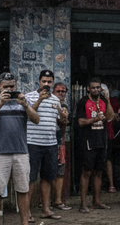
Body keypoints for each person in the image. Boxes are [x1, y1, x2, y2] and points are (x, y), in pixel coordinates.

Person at [0, 72, 39, 225]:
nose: (9, 89)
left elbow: (36, 119)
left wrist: (25, 104)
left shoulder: (22, 100)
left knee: (23, 190)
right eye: (5, 86)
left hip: (21, 151)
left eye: (12, 86)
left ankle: (24, 222)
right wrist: (0, 103)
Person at [24, 70, 62, 221]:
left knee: (47, 178)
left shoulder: (56, 100)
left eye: (49, 82)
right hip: (32, 143)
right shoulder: (29, 96)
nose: (46, 84)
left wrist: (63, 118)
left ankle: (46, 209)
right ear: (39, 82)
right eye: (44, 81)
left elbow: (59, 123)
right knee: (31, 179)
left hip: (51, 144)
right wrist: (39, 100)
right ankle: (27, 213)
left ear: (53, 83)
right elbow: (28, 114)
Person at [75, 77, 115, 213]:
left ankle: (96, 201)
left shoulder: (103, 101)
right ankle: (83, 204)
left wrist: (108, 99)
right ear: (88, 88)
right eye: (93, 88)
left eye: (98, 87)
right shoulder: (84, 102)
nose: (96, 90)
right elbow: (80, 122)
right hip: (88, 141)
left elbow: (110, 117)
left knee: (99, 171)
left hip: (101, 140)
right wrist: (96, 119)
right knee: (87, 171)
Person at [49, 83, 71, 212]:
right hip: (46, 140)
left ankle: (57, 200)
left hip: (59, 140)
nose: (61, 93)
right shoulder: (49, 104)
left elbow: (62, 130)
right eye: (59, 91)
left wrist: (63, 120)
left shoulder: (64, 107)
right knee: (48, 172)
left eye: (63, 91)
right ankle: (45, 201)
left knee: (60, 171)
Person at [102, 83, 120, 193]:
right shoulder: (91, 101)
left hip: (108, 133)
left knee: (108, 159)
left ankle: (111, 184)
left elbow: (114, 117)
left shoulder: (113, 101)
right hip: (95, 134)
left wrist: (107, 99)